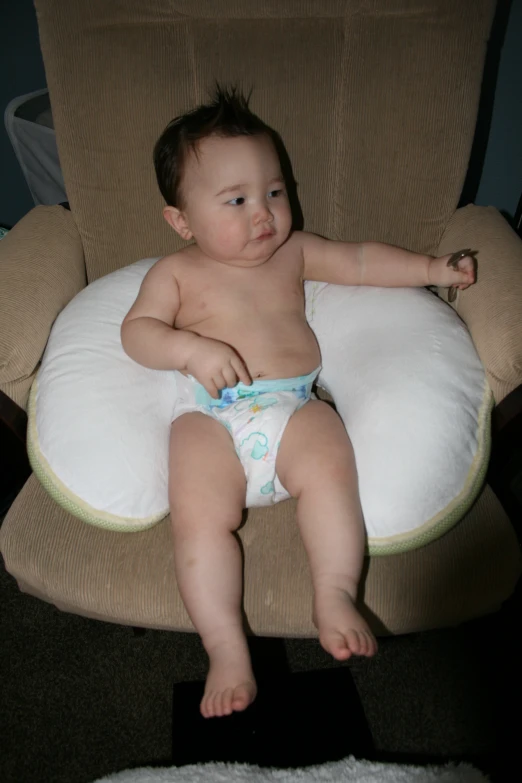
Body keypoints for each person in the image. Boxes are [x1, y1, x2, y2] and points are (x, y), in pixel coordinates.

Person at [121, 86, 476, 719]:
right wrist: (188, 350)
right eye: (236, 200)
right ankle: (226, 647)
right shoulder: (175, 273)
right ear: (182, 220)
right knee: (197, 515)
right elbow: (137, 332)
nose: (264, 214)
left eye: (275, 192)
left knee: (330, 460)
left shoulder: (294, 251)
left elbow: (363, 261)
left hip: (293, 407)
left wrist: (432, 268)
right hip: (213, 417)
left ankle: (335, 592)